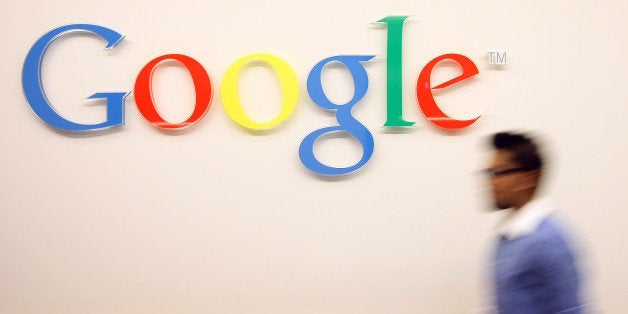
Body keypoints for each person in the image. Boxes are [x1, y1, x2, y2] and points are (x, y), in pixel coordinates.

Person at [484, 131, 584, 313]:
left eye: (499, 173)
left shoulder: (547, 241)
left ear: (529, 178)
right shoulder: (508, 236)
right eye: (489, 173)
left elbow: (571, 309)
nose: (491, 182)